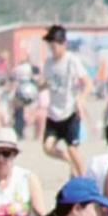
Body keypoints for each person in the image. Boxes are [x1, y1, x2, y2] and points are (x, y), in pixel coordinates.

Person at [39, 24, 92, 177]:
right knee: (48, 147)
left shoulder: (71, 60)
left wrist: (81, 99)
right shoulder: (49, 63)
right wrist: (40, 85)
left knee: (73, 148)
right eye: (50, 46)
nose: (52, 49)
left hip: (70, 112)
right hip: (54, 113)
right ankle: (69, 162)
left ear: (64, 44)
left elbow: (88, 83)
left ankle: (83, 177)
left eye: (55, 46)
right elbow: (47, 83)